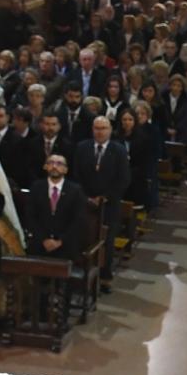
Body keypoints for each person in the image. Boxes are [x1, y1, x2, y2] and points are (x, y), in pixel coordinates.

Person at [71, 115, 131, 287]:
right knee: (82, 237)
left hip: (109, 204)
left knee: (107, 240)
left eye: (103, 128)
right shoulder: (82, 147)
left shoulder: (119, 150)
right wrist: (86, 197)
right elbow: (76, 174)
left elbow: (123, 179)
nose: (100, 132)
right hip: (85, 202)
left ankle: (105, 276)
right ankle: (81, 273)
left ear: (110, 130)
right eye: (97, 128)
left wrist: (105, 197)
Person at [25, 153, 90, 263]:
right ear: (45, 167)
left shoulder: (76, 191)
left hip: (66, 246)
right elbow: (30, 216)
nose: (54, 166)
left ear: (66, 170)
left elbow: (79, 221)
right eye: (51, 163)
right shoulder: (36, 187)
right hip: (40, 244)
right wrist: (44, 239)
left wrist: (60, 241)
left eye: (59, 164)